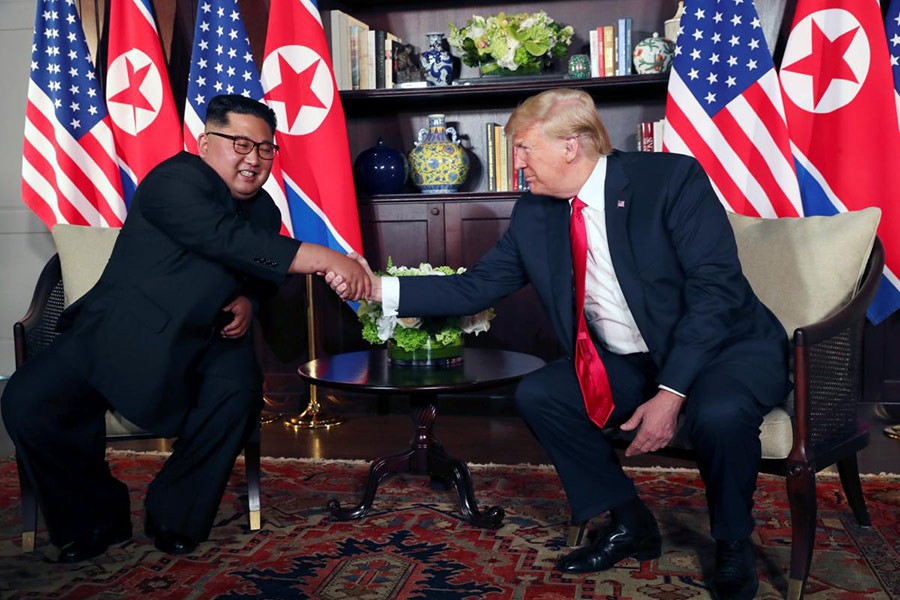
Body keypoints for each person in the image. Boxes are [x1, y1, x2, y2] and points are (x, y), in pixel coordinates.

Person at [333, 88, 789, 600]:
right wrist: (376, 286)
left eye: (525, 148)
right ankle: (630, 521)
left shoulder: (670, 180)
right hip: (630, 357)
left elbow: (715, 294)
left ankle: (732, 541)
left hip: (727, 347)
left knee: (719, 415)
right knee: (542, 394)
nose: (517, 163)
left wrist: (671, 393)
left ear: (572, 146)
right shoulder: (535, 213)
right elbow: (474, 287)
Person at [1, 94, 369, 563]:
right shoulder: (172, 180)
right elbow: (223, 238)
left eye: (265, 149)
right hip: (119, 327)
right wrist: (330, 259)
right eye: (240, 143)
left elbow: (252, 266)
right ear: (204, 142)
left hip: (209, 336)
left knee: (236, 395)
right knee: (27, 401)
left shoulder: (265, 210)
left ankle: (175, 514)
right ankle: (93, 517)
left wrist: (249, 301)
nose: (254, 159)